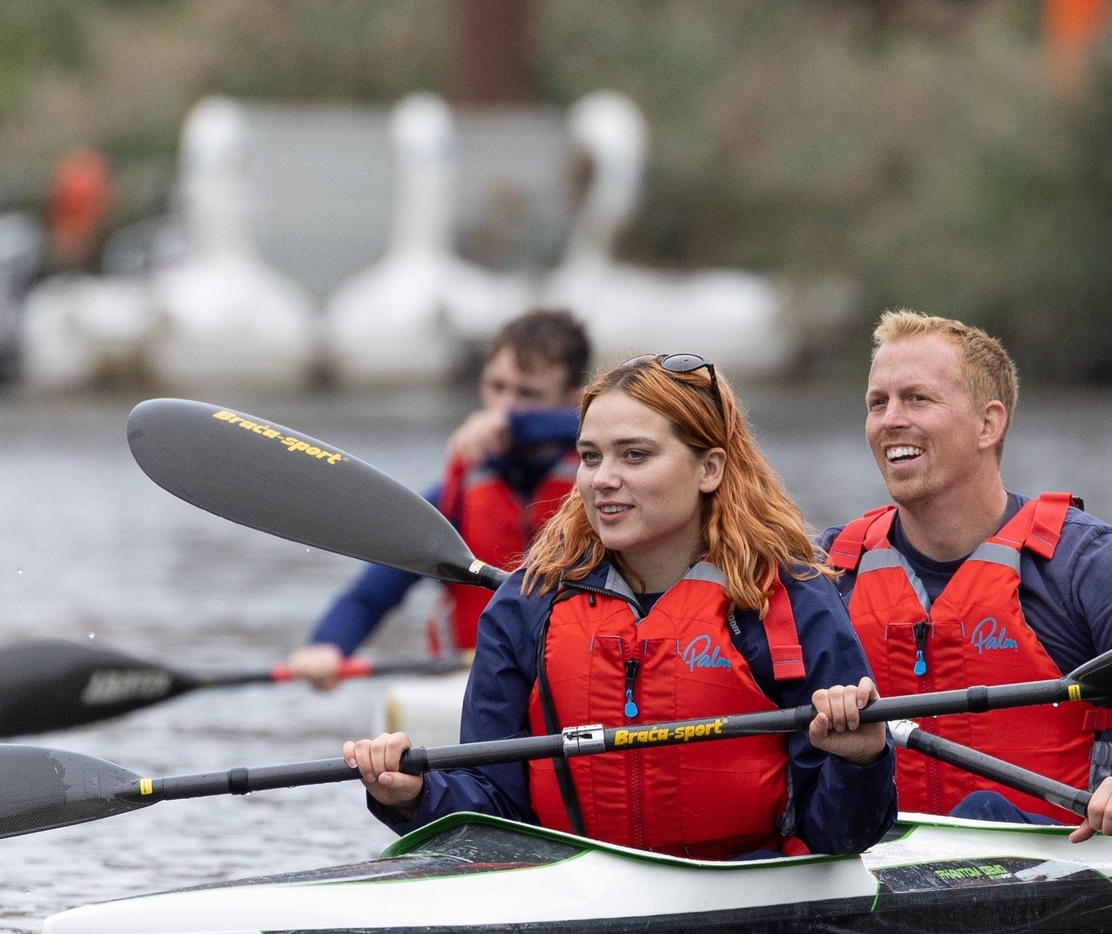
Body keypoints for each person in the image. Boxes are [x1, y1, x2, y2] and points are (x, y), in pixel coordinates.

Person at [343, 354, 898, 860]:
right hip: (579, 890)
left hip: (753, 890)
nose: (602, 479)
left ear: (709, 469)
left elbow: (843, 836)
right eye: (590, 457)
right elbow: (494, 807)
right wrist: (415, 796)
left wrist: (859, 760)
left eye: (635, 455)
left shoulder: (791, 600)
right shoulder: (527, 605)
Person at [823, 310, 1112, 844]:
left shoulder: (1095, 564)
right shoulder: (828, 569)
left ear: (988, 425)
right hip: (877, 857)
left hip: (1062, 857)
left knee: (985, 811)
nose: (890, 420)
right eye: (878, 403)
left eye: (917, 399)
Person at [285, 309, 592, 687]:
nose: (503, 407)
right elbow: (370, 595)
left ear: (573, 400)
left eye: (527, 394)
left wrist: (519, 426)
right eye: (496, 386)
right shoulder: (457, 494)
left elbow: (600, 419)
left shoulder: (602, 483)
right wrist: (327, 645)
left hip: (574, 680)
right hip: (472, 684)